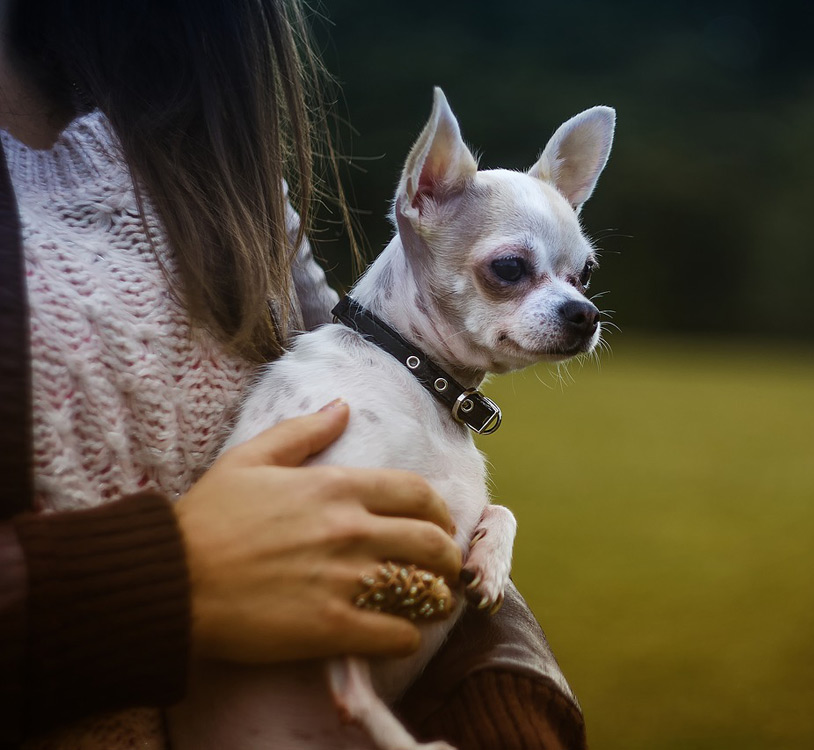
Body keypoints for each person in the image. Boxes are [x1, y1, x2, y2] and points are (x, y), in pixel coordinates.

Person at [0, 0, 586, 748]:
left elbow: (410, 514)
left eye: (580, 275)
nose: (574, 304)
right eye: (510, 270)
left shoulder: (203, 145)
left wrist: (508, 708)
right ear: (423, 197)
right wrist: (164, 579)